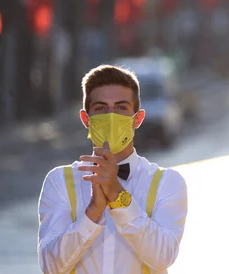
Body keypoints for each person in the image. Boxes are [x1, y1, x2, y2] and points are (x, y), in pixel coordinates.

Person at [37, 65, 188, 274]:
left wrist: (118, 197)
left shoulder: (167, 183)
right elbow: (50, 266)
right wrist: (93, 212)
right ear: (85, 119)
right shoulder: (59, 181)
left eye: (121, 108)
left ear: (138, 119)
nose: (111, 116)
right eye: (100, 108)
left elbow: (163, 257)